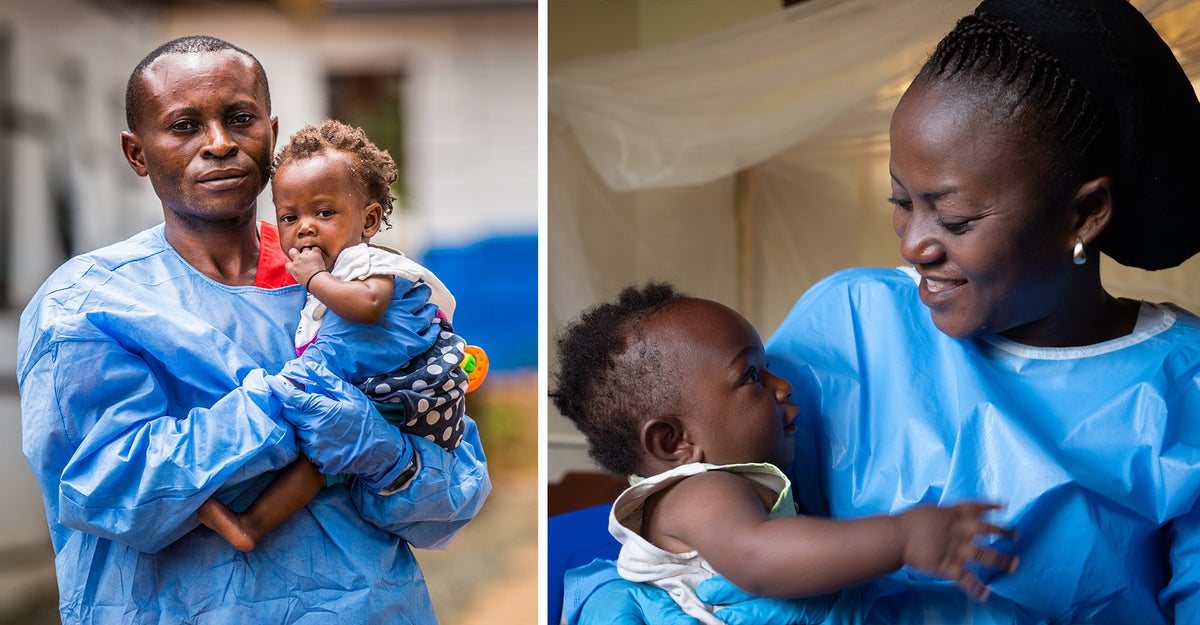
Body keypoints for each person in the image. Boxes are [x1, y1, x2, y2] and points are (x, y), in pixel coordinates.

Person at [561, 0, 1200, 623]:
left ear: (1084, 213)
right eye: (901, 202)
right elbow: (705, 505)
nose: (914, 245)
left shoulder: (1185, 385)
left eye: (955, 218)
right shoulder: (851, 322)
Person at [17, 35, 490, 624]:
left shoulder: (368, 283)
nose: (218, 144)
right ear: (137, 154)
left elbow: (453, 499)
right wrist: (279, 405)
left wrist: (384, 454)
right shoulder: (88, 304)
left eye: (239, 119)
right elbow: (109, 490)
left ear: (270, 134)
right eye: (184, 125)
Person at [552, 282, 1019, 623]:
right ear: (675, 442)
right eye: (752, 377)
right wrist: (902, 538)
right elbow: (757, 558)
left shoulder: (706, 487)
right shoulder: (704, 489)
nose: (783, 386)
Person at [197, 118, 482, 552]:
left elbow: (367, 307)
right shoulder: (330, 275)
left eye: (324, 213)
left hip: (406, 409)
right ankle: (249, 526)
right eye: (290, 217)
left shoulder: (371, 263)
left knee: (320, 452)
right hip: (377, 413)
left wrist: (313, 280)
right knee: (315, 467)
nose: (305, 228)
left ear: (368, 220)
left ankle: (245, 516)